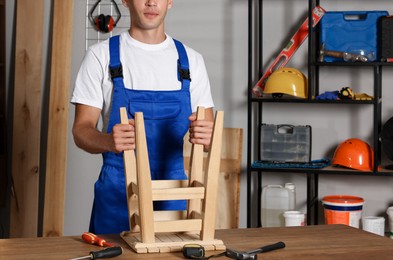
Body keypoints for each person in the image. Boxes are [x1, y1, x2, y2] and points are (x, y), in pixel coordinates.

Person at [71, 0, 215, 235]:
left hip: (174, 192)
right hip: (118, 191)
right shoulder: (101, 56)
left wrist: (208, 136)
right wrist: (109, 142)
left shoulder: (191, 61)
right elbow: (81, 130)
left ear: (170, 2)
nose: (150, 2)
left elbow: (207, 139)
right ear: (125, 1)